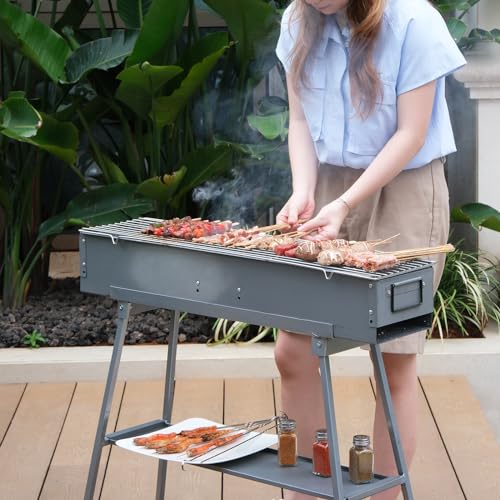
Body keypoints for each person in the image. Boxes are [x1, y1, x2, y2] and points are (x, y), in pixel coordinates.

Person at [274, 0, 466, 499]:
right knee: (293, 350)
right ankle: (310, 490)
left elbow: (411, 133)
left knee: (391, 359)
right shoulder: (297, 19)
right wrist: (303, 189)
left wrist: (344, 204)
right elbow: (300, 121)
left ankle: (381, 494)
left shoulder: (414, 21)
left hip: (404, 189)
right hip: (328, 186)